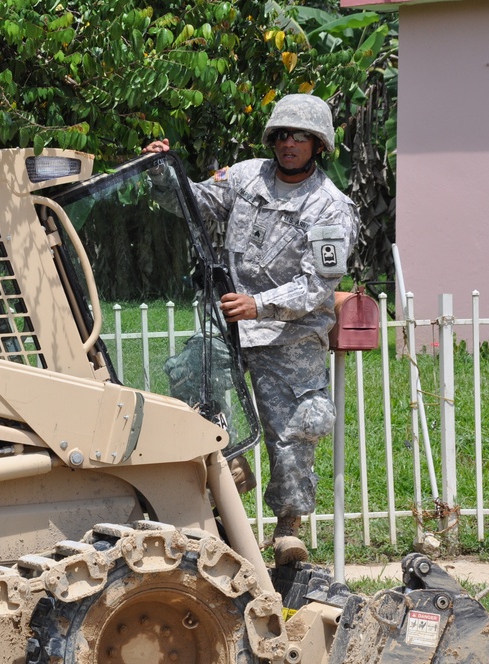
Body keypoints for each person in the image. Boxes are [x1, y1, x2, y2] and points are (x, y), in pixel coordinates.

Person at [144, 94, 360, 565]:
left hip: (291, 333)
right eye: (281, 135)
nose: (288, 144)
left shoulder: (331, 208)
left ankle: (288, 525)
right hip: (230, 320)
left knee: (299, 426)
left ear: (317, 144)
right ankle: (232, 462)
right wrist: (165, 173)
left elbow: (317, 286)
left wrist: (258, 305)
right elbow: (197, 204)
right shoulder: (245, 177)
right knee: (188, 373)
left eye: (299, 136)